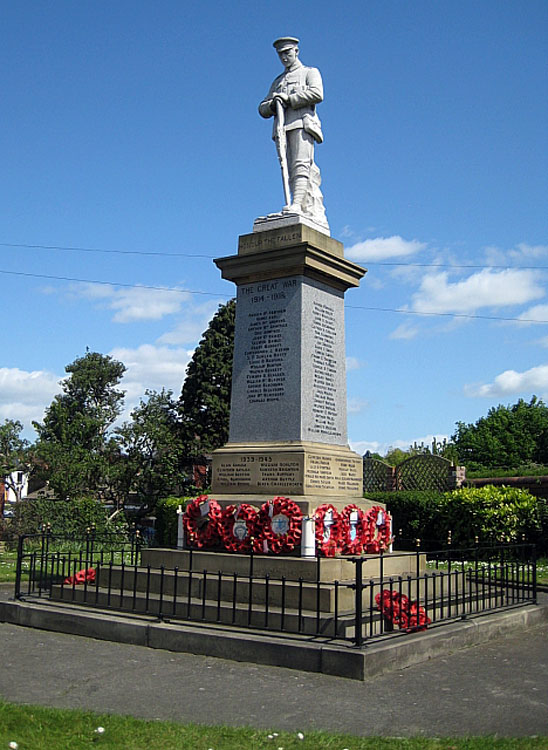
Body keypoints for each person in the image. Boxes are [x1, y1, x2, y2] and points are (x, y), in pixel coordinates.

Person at [259, 37, 328, 230]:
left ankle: (297, 204)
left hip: (302, 124)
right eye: (280, 55)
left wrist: (289, 99)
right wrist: (273, 104)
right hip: (282, 128)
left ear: (296, 52)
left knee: (301, 164)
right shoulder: (278, 81)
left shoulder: (309, 72)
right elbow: (262, 108)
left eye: (287, 53)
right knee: (288, 168)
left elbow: (317, 94)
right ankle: (294, 204)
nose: (284, 58)